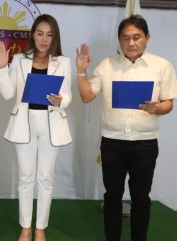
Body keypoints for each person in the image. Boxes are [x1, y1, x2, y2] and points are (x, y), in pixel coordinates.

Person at [76, 14, 177, 241]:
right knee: (113, 196)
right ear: (119, 40)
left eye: (136, 37)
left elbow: (169, 103)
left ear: (147, 37)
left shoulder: (162, 66)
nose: (131, 43)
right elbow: (86, 96)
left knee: (141, 197)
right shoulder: (106, 65)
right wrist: (81, 71)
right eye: (125, 38)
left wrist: (158, 108)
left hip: (145, 142)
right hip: (112, 142)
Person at [0, 14, 72, 241]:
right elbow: (8, 93)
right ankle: (26, 228)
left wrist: (61, 99)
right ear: (33, 35)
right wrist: (1, 67)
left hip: (52, 123)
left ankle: (40, 229)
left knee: (45, 178)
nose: (44, 39)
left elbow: (67, 94)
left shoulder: (63, 62)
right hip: (24, 123)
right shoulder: (19, 60)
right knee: (26, 178)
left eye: (49, 34)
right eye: (40, 33)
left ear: (55, 37)